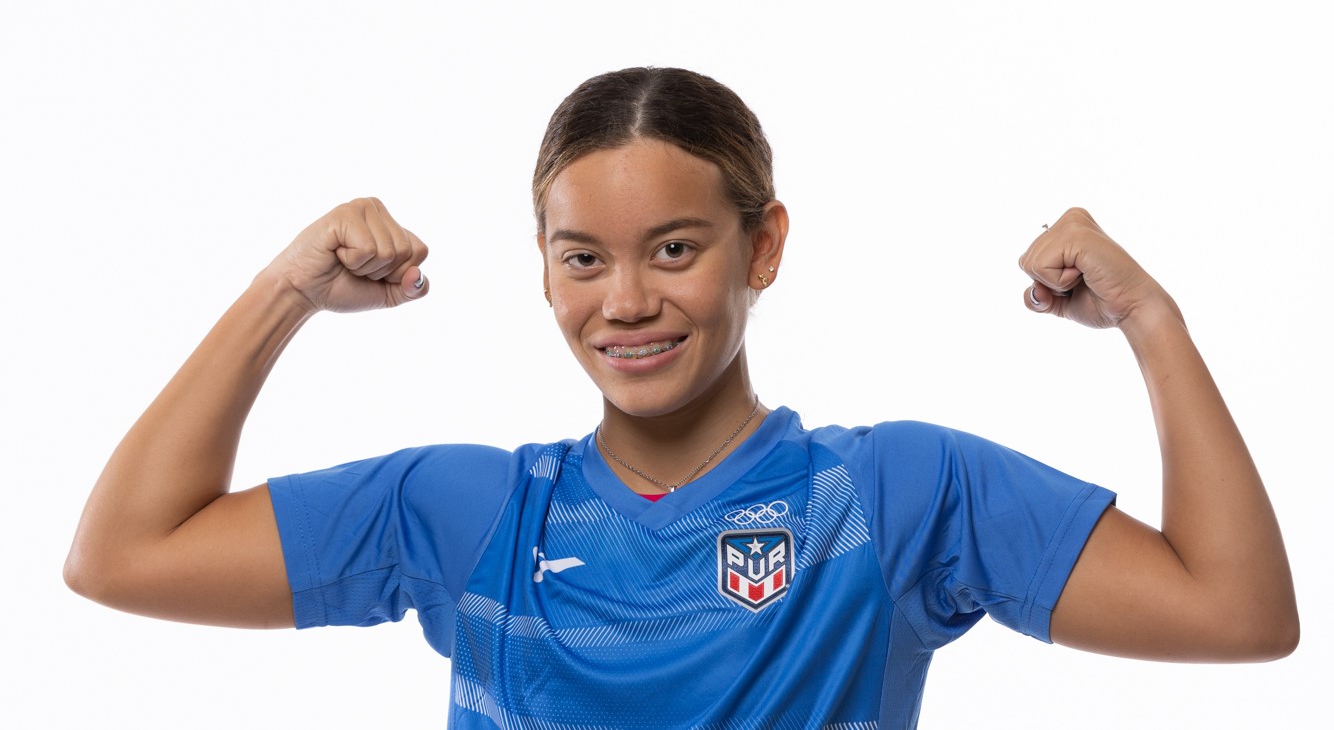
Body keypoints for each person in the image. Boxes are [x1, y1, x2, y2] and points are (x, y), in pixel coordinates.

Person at [66, 67, 1298, 728]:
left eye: (672, 248)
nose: (624, 302)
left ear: (762, 246)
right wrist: (283, 290)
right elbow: (122, 554)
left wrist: (1152, 322)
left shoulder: (891, 497)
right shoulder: (469, 512)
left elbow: (1235, 610)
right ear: (542, 265)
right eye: (581, 257)